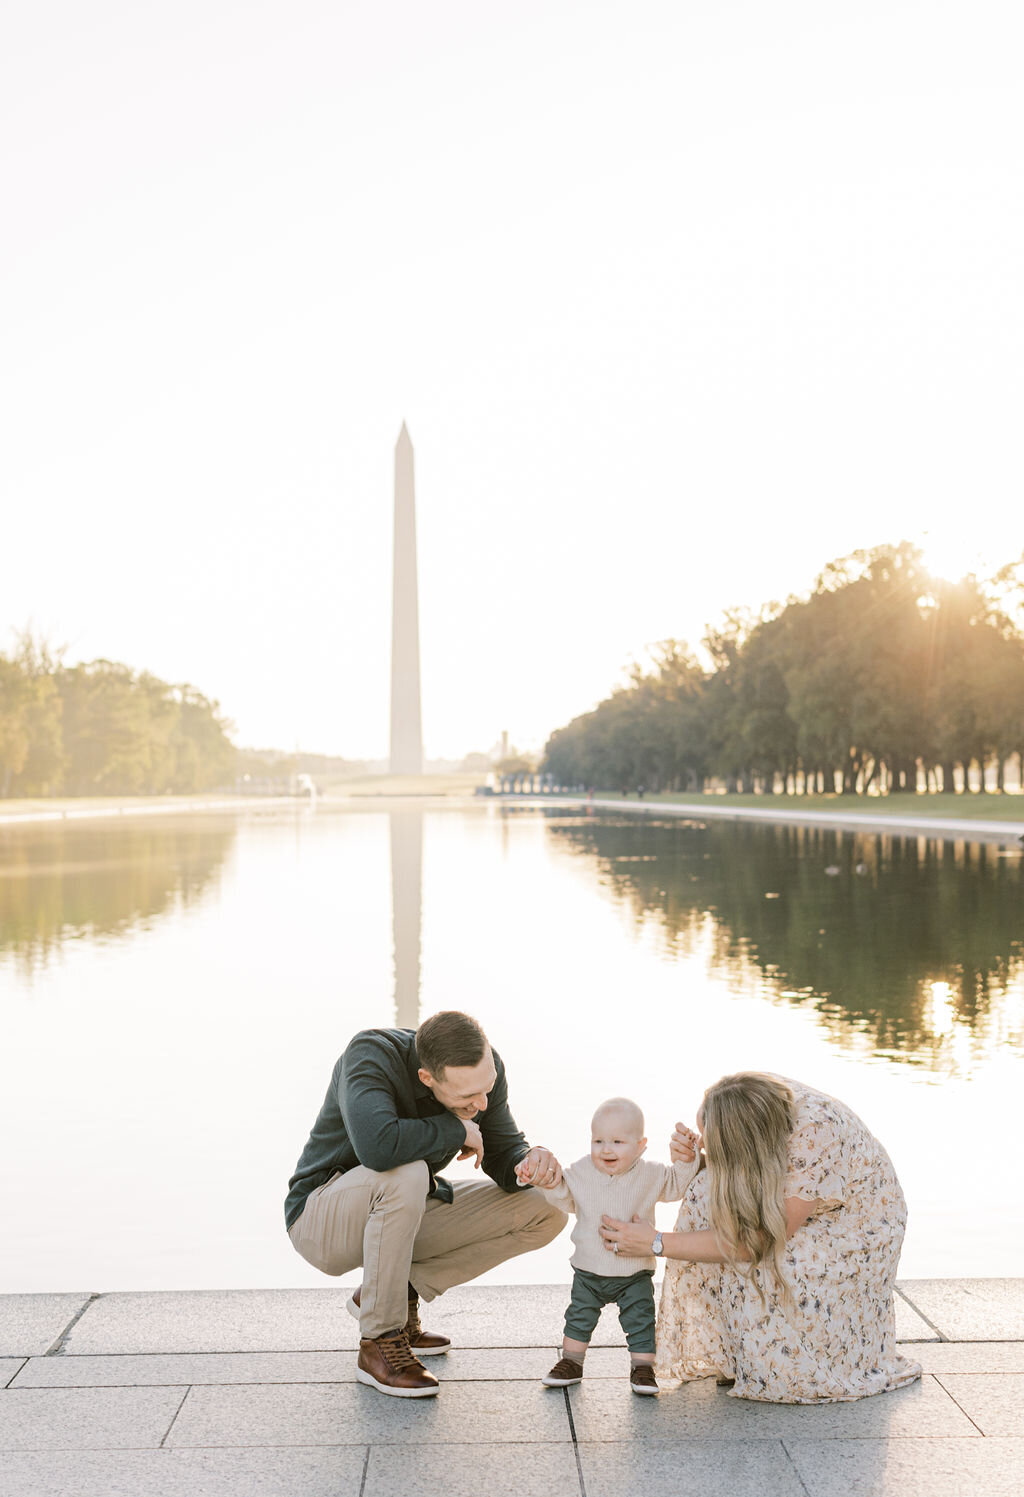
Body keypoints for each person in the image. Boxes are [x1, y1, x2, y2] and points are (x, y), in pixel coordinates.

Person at [285, 1010, 567, 1398]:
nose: (482, 1104)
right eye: (468, 1097)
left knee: (545, 1208)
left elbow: (502, 1152)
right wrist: (455, 1129)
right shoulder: (370, 1055)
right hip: (320, 1219)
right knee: (410, 1172)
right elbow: (378, 1147)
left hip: (401, 1210)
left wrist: (530, 1160)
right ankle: (378, 1343)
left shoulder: (482, 1072)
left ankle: (391, 1294)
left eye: (488, 1088)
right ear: (426, 1078)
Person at [599, 1072, 922, 1404]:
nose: (703, 1142)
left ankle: (786, 1356)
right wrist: (695, 1162)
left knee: (775, 1257)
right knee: (704, 1189)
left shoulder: (814, 1136)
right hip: (805, 1201)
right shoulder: (752, 1096)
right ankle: (736, 1350)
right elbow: (749, 1168)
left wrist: (656, 1242)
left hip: (856, 1226)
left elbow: (758, 1240)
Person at [522, 1097, 699, 1395]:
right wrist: (547, 1183)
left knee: (641, 1319)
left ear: (641, 1145)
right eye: (598, 1140)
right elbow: (565, 1197)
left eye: (618, 1141)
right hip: (589, 1270)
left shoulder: (652, 1174)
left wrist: (687, 1158)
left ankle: (642, 1367)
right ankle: (571, 1362)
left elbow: (676, 1185)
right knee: (579, 1316)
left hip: (635, 1272)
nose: (606, 1149)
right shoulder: (581, 1171)